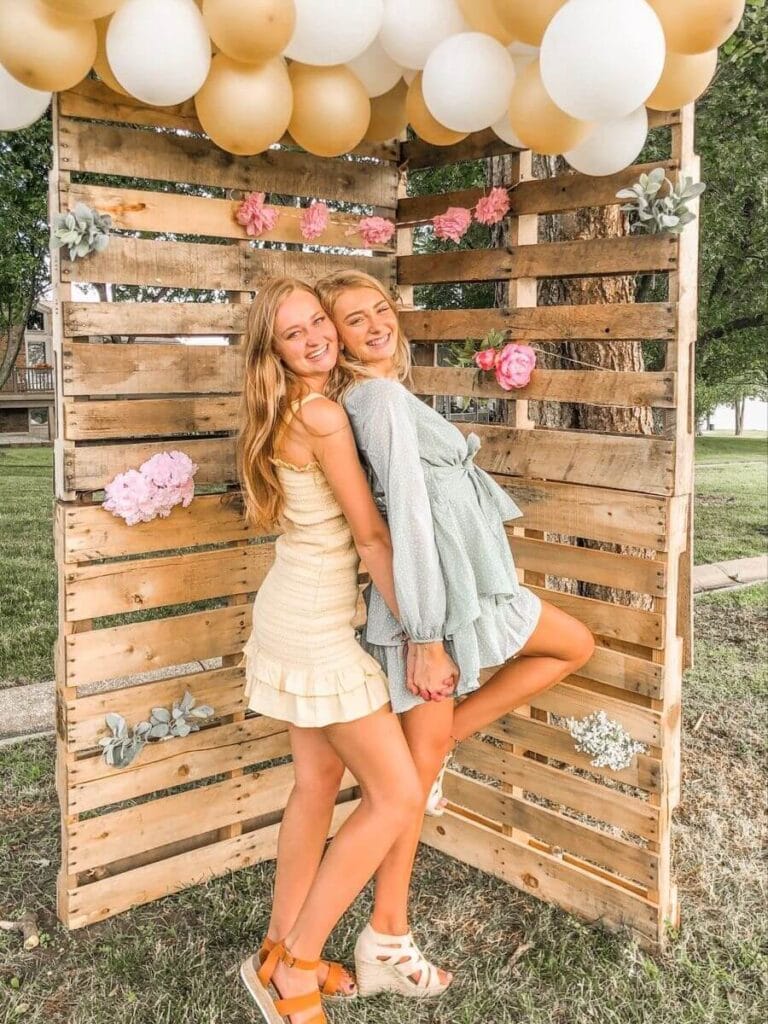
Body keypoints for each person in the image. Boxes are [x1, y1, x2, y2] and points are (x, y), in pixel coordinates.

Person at [315, 269, 596, 961]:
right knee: (406, 784)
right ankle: (387, 934)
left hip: (470, 587)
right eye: (356, 319)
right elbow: (405, 515)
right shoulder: (375, 397)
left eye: (381, 309)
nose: (377, 324)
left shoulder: (384, 393)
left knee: (569, 646)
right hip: (433, 599)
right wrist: (425, 634)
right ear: (338, 339)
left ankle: (433, 764)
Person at [236, 277, 452, 1024]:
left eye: (318, 322)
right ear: (275, 349)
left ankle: (272, 947)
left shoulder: (289, 407)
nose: (317, 337)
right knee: (395, 795)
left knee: (316, 784)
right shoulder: (324, 414)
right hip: (318, 625)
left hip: (291, 612)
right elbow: (370, 537)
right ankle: (295, 970)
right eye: (294, 333)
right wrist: (425, 635)